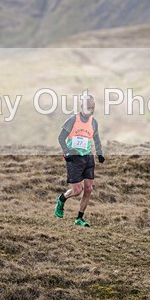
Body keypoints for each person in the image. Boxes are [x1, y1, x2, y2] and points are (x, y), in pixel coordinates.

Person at [54, 94, 104, 227]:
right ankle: (61, 199)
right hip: (74, 158)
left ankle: (79, 218)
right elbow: (61, 138)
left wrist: (99, 153)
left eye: (93, 108)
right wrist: (67, 151)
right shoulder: (73, 119)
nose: (91, 110)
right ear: (82, 107)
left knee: (88, 189)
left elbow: (96, 139)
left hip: (87, 157)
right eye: (89, 108)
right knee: (77, 191)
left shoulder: (93, 122)